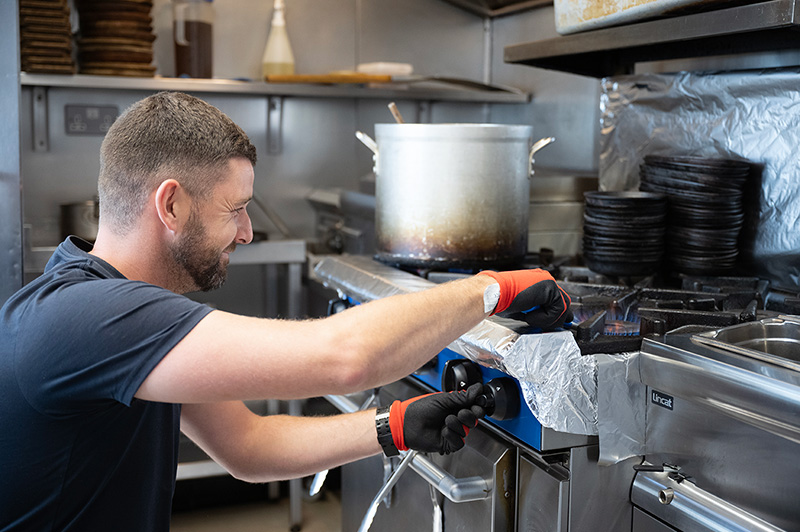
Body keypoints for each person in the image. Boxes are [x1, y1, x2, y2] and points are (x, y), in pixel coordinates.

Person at [0, 92, 572, 531]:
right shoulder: (84, 317)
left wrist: (392, 427)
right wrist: (493, 289)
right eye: (237, 209)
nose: (248, 232)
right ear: (170, 204)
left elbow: (250, 447)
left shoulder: (105, 307)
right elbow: (344, 357)